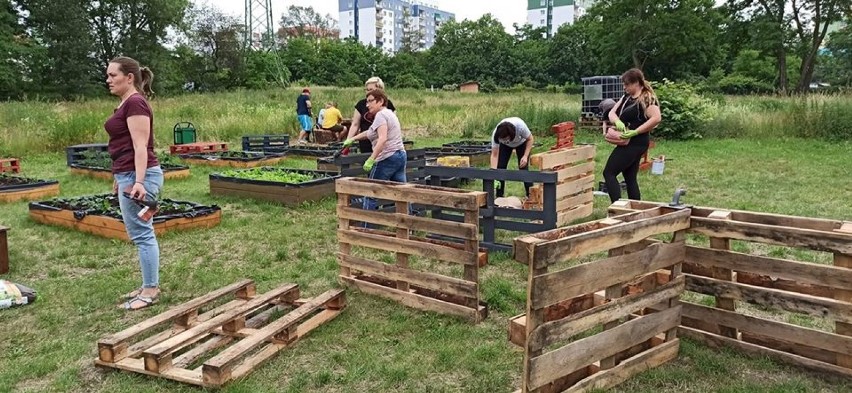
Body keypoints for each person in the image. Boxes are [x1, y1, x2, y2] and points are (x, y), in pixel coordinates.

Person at [104, 56, 164, 311]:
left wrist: (138, 181)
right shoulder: (125, 103)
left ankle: (150, 289)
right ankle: (147, 284)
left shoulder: (136, 103)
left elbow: (141, 146)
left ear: (129, 77)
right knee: (140, 233)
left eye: (113, 75)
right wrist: (119, 178)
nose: (108, 80)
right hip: (128, 175)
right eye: (107, 75)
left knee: (142, 234)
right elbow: (123, 146)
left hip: (141, 176)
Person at [604, 68, 662, 203]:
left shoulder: (647, 98)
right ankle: (635, 209)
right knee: (630, 177)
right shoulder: (627, 97)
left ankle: (617, 208)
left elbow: (656, 118)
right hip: (628, 141)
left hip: (636, 143)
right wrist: (617, 121)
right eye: (624, 84)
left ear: (636, 83)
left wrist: (636, 131)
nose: (625, 87)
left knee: (609, 173)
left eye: (627, 84)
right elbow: (612, 113)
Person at [343, 89, 406, 209]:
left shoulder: (381, 115)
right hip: (400, 155)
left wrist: (371, 159)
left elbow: (382, 139)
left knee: (371, 193)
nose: (367, 105)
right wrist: (352, 139)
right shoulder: (389, 114)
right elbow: (370, 132)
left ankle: (366, 227)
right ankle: (409, 225)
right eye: (366, 102)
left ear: (380, 101)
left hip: (386, 158)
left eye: (370, 101)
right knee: (402, 192)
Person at [345, 77, 396, 154]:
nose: (368, 92)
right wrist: (348, 141)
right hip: (365, 142)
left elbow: (393, 125)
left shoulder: (387, 105)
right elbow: (355, 125)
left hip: (383, 142)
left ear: (379, 90)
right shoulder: (361, 104)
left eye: (371, 90)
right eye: (367, 90)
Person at [489, 117, 535, 198]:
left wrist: (525, 156)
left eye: (506, 139)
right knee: (500, 168)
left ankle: (530, 195)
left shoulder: (520, 127)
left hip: (522, 143)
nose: (504, 141)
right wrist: (494, 173)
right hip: (505, 147)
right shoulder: (496, 135)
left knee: (523, 169)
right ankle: (499, 196)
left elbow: (530, 139)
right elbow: (494, 155)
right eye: (502, 140)